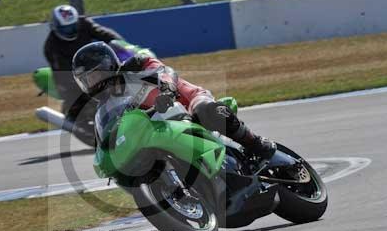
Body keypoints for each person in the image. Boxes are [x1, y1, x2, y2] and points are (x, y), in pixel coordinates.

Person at [71, 42, 276, 159]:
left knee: (206, 111)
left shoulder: (135, 66)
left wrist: (167, 90)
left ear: (108, 65)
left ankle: (255, 142)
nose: (93, 83)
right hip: (161, 130)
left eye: (95, 76)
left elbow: (164, 71)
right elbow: (104, 140)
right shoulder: (105, 108)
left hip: (187, 102)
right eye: (87, 80)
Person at [44, 5, 123, 123]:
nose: (70, 31)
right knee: (77, 94)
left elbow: (104, 33)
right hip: (73, 73)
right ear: (56, 27)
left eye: (72, 26)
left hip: (93, 62)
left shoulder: (84, 23)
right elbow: (64, 74)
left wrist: (119, 44)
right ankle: (73, 116)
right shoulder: (51, 46)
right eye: (66, 29)